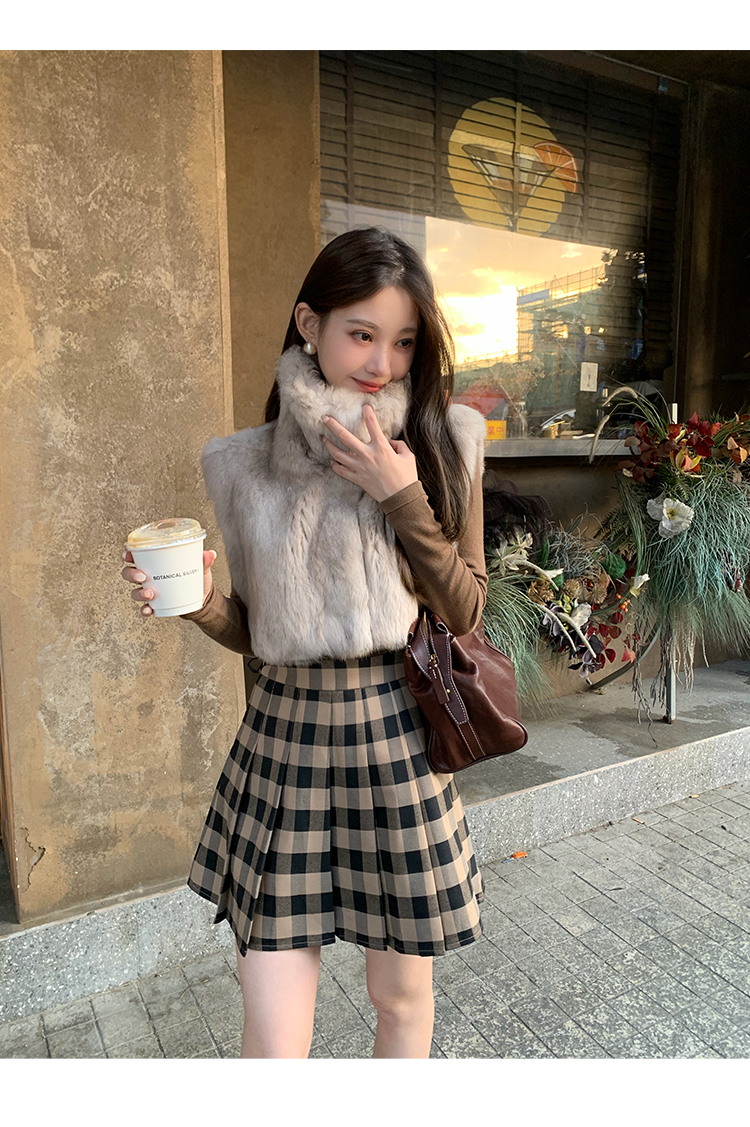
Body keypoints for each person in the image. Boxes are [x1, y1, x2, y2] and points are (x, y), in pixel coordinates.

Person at [122, 226, 488, 1059]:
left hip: (398, 741)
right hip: (284, 741)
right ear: (309, 323)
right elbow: (259, 634)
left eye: (404, 341)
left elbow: (466, 610)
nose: (383, 363)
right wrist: (200, 603)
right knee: (274, 1034)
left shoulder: (446, 439)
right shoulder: (241, 463)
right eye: (362, 333)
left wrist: (402, 497)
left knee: (400, 1001)